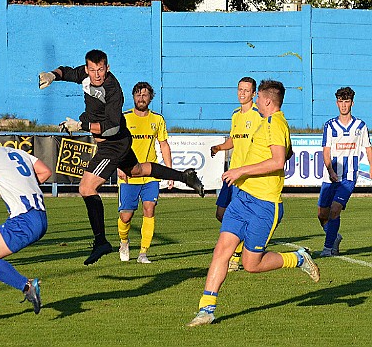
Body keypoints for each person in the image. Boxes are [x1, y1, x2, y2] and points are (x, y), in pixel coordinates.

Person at [39, 49, 204, 266]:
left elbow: (112, 128)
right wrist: (52, 75)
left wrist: (82, 126)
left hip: (113, 143)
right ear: (87, 68)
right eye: (92, 69)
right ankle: (185, 177)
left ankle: (101, 242)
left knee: (86, 188)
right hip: (119, 142)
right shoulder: (86, 74)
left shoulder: (113, 89)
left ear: (108, 68)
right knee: (136, 170)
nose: (96, 74)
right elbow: (68, 72)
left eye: (101, 69)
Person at [187, 80, 320, 327]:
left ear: (268, 100)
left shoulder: (276, 123)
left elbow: (279, 161)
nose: (256, 100)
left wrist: (240, 170)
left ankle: (298, 258)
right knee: (221, 251)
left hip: (264, 205)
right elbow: (285, 152)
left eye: (258, 96)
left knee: (251, 265)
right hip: (243, 198)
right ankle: (206, 309)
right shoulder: (264, 122)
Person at [0, 125, 51, 315]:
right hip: (38, 216)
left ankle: (27, 286)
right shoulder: (18, 153)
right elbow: (45, 172)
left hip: (25, 220)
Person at [117, 82, 173, 264]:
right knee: (126, 215)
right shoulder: (124, 119)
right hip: (129, 174)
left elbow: (164, 145)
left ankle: (143, 253)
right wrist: (118, 166)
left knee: (149, 209)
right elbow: (115, 145)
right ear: (133, 97)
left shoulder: (157, 120)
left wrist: (169, 171)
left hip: (150, 174)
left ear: (151, 97)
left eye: (145, 95)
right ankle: (124, 241)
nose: (141, 99)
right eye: (138, 95)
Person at [210, 77, 262, 271]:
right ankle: (240, 247)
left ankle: (237, 254)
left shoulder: (259, 115)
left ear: (254, 94)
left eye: (246, 90)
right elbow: (234, 139)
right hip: (232, 173)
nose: (242, 93)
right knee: (221, 213)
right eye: (240, 89)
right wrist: (220, 147)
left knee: (237, 215)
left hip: (247, 176)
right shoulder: (235, 115)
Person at [317, 87, 372, 257]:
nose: (343, 105)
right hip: (330, 177)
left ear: (352, 103)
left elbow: (368, 149)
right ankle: (334, 236)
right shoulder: (330, 125)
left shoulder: (360, 126)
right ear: (337, 103)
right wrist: (330, 170)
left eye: (346, 101)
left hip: (348, 177)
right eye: (341, 101)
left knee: (335, 210)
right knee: (322, 215)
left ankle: (327, 249)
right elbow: (326, 152)